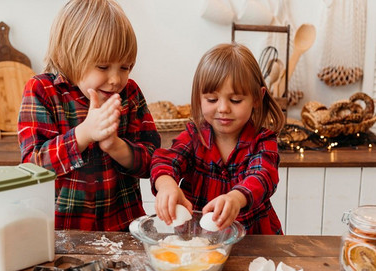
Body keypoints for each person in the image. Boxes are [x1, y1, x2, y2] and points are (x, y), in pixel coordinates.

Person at [18, 0, 160, 231]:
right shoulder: (42, 90)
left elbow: (152, 162)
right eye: (103, 67)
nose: (115, 79)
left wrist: (115, 146)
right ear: (68, 56)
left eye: (125, 67)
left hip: (123, 227)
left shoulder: (130, 93)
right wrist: (84, 134)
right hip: (63, 233)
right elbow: (33, 167)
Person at [151, 43, 285, 234]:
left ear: (257, 97)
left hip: (253, 240)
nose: (223, 108)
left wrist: (236, 199)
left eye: (235, 100)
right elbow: (165, 160)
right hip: (197, 240)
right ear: (199, 98)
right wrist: (166, 186)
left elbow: (262, 176)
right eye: (212, 100)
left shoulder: (263, 141)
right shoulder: (193, 137)